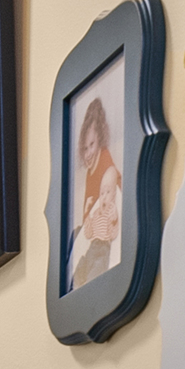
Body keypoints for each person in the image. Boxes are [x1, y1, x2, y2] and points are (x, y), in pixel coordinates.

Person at [69, 91, 122, 289]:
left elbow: (115, 190)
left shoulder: (106, 164)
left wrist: (113, 214)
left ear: (100, 138)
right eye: (85, 148)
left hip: (102, 243)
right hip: (91, 237)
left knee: (94, 268)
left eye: (91, 145)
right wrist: (88, 215)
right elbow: (88, 218)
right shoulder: (90, 171)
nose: (88, 153)